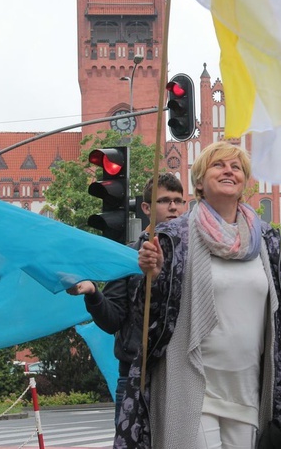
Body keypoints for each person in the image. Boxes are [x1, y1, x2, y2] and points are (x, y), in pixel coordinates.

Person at [115, 141, 281, 449]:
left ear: (244, 182)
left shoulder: (266, 240)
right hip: (193, 384)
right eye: (218, 165)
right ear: (200, 182)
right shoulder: (174, 237)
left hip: (246, 388)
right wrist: (156, 276)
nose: (229, 170)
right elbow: (144, 319)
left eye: (237, 167)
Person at [67, 172, 186, 424]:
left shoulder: (195, 256)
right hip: (135, 373)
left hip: (182, 373)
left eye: (179, 200)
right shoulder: (126, 256)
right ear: (146, 207)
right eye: (164, 201)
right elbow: (112, 321)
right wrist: (93, 293)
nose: (173, 207)